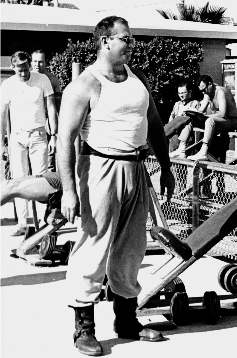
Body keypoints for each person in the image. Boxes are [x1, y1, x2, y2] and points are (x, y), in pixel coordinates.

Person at [57, 16, 175, 356]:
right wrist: (68, 190)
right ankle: (84, 329)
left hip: (137, 168)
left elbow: (154, 125)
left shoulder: (138, 79)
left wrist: (165, 168)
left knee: (132, 248)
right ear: (105, 41)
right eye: (125, 39)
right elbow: (64, 140)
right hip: (99, 168)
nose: (131, 44)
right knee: (93, 247)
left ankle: (126, 321)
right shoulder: (84, 85)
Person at [0, 51, 58, 236]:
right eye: (20, 70)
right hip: (17, 138)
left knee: (41, 180)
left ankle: (43, 223)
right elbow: (2, 115)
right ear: (13, 67)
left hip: (38, 136)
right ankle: (23, 224)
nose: (24, 73)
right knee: (18, 179)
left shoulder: (42, 80)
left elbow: (51, 108)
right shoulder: (7, 85)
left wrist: (54, 136)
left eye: (26, 69)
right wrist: (2, 143)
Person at [187, 75, 237, 161]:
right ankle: (182, 148)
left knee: (209, 121)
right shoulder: (208, 93)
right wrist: (193, 113)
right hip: (218, 121)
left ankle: (204, 150)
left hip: (231, 121)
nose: (203, 93)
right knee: (190, 121)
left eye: (204, 90)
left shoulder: (220, 91)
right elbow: (201, 111)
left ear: (210, 84)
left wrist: (205, 117)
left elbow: (223, 114)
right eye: (201, 91)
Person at [31, 49, 62, 172]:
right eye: (35, 62)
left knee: (48, 157)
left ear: (46, 62)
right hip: (31, 121)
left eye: (41, 62)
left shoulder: (52, 79)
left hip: (48, 121)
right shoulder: (26, 77)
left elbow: (57, 105)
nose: (37, 65)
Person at [168, 81, 210, 157]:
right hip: (175, 136)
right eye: (179, 93)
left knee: (184, 162)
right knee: (172, 161)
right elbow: (171, 119)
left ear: (190, 92)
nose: (181, 95)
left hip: (188, 136)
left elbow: (198, 120)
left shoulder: (195, 103)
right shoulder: (177, 104)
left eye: (183, 93)